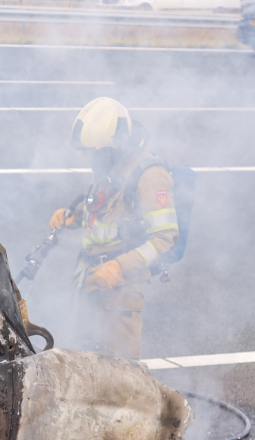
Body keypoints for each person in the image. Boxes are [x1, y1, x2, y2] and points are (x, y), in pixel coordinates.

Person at [50, 97, 179, 360]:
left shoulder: (150, 175)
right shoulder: (111, 164)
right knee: (82, 359)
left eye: (94, 153)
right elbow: (104, 208)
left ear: (113, 146)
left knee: (119, 372)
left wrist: (120, 268)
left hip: (122, 291)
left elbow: (165, 238)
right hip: (91, 277)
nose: (90, 159)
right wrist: (73, 217)